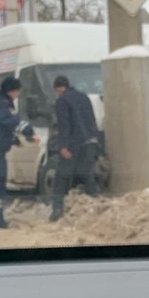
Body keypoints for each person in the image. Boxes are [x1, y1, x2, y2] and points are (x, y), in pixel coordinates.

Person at [0, 74, 37, 229]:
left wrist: (14, 140)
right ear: (11, 90)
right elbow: (8, 121)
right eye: (17, 91)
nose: (18, 94)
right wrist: (28, 131)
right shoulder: (1, 103)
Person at [49, 74, 99, 222]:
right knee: (87, 174)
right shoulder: (84, 97)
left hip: (73, 144)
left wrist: (63, 146)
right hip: (90, 141)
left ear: (58, 89)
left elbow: (65, 125)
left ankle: (57, 209)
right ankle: (95, 205)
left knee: (62, 176)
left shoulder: (62, 101)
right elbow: (91, 119)